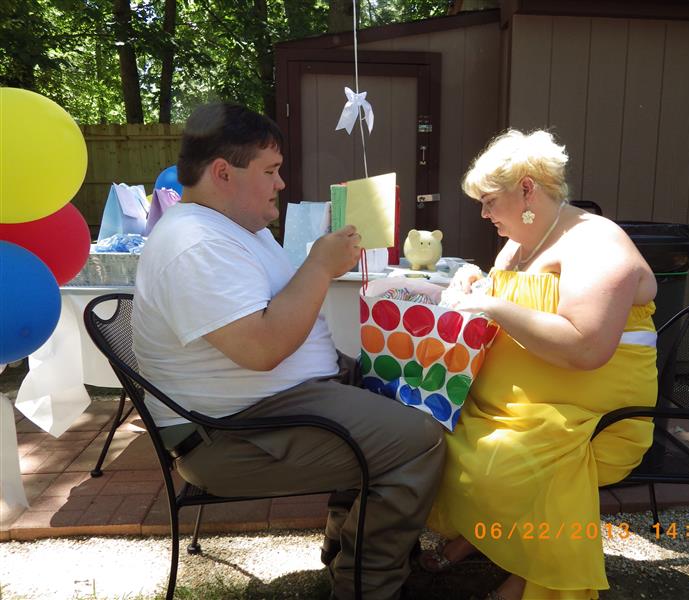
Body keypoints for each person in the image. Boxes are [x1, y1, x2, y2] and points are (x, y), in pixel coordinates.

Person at [132, 102, 445, 600]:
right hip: (235, 434)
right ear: (223, 173)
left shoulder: (228, 229)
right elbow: (261, 349)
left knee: (404, 389)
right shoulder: (195, 244)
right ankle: (367, 587)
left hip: (269, 407)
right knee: (420, 442)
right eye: (270, 171)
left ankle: (346, 555)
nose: (281, 183)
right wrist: (319, 266)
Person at [421, 129, 658, 600]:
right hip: (520, 402)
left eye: (490, 201)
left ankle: (540, 575)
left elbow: (586, 348)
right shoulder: (520, 241)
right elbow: (513, 302)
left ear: (527, 189)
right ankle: (482, 537)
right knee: (431, 435)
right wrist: (475, 283)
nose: (484, 213)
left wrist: (492, 305)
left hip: (586, 413)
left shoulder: (595, 243)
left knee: (501, 466)